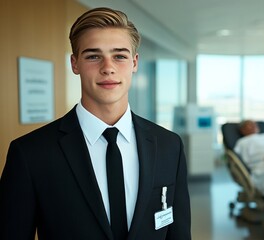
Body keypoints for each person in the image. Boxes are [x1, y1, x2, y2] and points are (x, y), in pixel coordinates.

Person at [0, 7, 191, 240]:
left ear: (134, 63)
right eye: (93, 56)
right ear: (75, 64)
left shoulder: (169, 145)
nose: (108, 67)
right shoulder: (30, 153)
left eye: (119, 56)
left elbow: (178, 233)